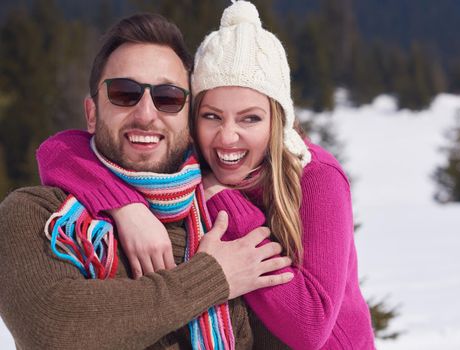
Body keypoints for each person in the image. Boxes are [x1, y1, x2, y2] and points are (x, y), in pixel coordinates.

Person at [36, 1, 376, 349]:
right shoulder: (191, 158)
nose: (228, 137)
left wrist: (228, 206)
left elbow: (310, 326)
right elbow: (58, 151)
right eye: (213, 116)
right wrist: (126, 207)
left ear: (277, 120)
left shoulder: (315, 177)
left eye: (250, 118)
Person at [0, 11, 296, 350]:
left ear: (190, 116)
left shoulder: (234, 213)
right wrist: (212, 278)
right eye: (124, 94)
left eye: (168, 97)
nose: (145, 114)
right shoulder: (39, 215)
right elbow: (54, 331)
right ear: (92, 114)